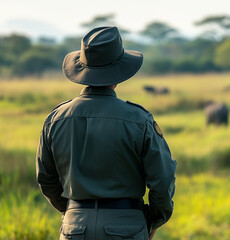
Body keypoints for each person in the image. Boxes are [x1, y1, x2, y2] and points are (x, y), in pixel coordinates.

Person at [36, 26, 176, 240]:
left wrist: (73, 211)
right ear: (119, 71)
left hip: (74, 228)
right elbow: (162, 180)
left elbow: (46, 179)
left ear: (82, 68)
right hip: (127, 228)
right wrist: (154, 219)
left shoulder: (55, 119)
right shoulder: (139, 119)